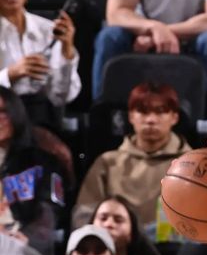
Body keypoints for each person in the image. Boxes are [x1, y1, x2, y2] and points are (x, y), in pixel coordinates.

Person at [74, 82, 191, 234]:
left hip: (174, 244)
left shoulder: (192, 165)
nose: (150, 120)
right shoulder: (107, 162)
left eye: (160, 112)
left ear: (174, 117)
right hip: (115, 243)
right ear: (130, 116)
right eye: (143, 112)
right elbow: (84, 215)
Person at [0, 0, 81, 125]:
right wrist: (11, 74)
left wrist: (66, 51)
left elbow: (61, 97)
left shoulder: (49, 30)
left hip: (39, 120)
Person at [0, 86, 65, 255]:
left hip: (23, 254)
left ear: (16, 114)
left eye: (3, 112)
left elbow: (50, 211)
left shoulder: (43, 163)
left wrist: (27, 238)